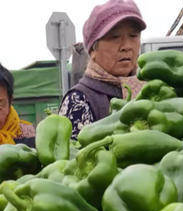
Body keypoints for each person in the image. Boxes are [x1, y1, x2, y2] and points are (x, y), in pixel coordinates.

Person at [59, 0, 146, 138]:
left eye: (133, 36)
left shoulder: (149, 88)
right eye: (115, 37)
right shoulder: (79, 100)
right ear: (93, 50)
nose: (126, 46)